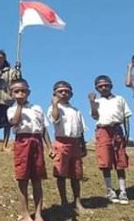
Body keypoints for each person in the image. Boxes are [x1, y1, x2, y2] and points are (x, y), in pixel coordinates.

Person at [7, 78, 51, 221]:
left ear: (29, 92)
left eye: (23, 91)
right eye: (16, 91)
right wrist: (19, 106)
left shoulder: (37, 108)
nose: (20, 94)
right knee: (23, 178)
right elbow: (14, 122)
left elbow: (44, 128)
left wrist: (49, 146)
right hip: (22, 141)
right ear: (11, 93)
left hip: (36, 141)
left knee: (37, 178)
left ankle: (38, 213)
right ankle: (24, 212)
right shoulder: (12, 109)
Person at [90, 75, 132, 205]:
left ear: (111, 86)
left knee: (120, 160)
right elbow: (95, 116)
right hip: (103, 130)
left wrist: (127, 135)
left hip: (117, 129)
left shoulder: (119, 99)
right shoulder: (97, 101)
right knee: (105, 160)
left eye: (106, 85)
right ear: (97, 88)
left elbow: (126, 117)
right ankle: (110, 190)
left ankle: (123, 190)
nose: (103, 88)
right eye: (100, 86)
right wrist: (92, 103)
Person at [47, 81, 87, 213]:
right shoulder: (54, 108)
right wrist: (54, 104)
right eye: (60, 91)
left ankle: (77, 201)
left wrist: (83, 145)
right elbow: (55, 118)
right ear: (55, 94)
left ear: (71, 94)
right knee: (61, 173)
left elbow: (80, 130)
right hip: (61, 142)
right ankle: (63, 201)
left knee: (76, 174)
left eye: (66, 91)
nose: (63, 93)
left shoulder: (76, 111)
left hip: (75, 143)